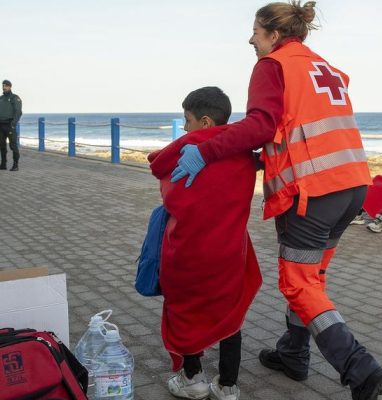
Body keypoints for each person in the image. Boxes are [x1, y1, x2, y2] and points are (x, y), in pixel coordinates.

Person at [169, 2, 382, 399]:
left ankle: (359, 367)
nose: (250, 39)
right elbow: (295, 129)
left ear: (273, 34)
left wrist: (209, 150)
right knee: (313, 277)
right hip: (352, 184)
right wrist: (258, 159)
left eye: (255, 30)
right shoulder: (322, 67)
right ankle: (293, 353)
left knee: (298, 284)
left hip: (313, 192)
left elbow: (261, 124)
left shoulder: (273, 65)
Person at [148, 87, 262, 400]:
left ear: (206, 122)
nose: (184, 128)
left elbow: (159, 168)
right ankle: (228, 386)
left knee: (185, 310)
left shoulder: (187, 146)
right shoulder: (243, 152)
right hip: (228, 250)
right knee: (230, 312)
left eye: (187, 120)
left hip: (187, 250)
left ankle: (193, 379)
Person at [0, 79, 22, 171]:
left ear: (10, 87)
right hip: (0, 125)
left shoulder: (15, 98)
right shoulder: (0, 98)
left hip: (9, 125)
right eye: (3, 86)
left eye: (6, 86)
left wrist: (13, 123)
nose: (4, 87)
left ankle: (15, 165)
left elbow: (18, 112)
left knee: (13, 145)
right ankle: (3, 164)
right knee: (1, 145)